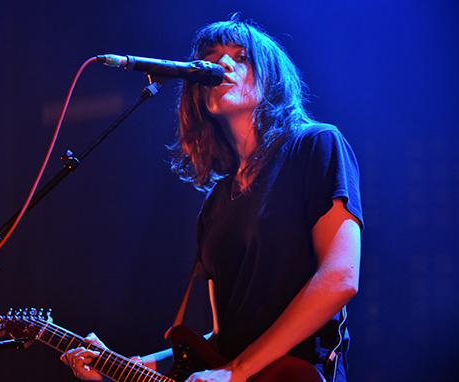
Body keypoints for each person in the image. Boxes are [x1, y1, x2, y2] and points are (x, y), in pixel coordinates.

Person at [61, 14, 363, 382]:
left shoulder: (315, 145)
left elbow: (340, 278)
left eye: (241, 56)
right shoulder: (215, 203)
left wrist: (237, 371)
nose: (222, 64)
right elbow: (224, 337)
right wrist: (139, 363)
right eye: (213, 55)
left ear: (272, 77)